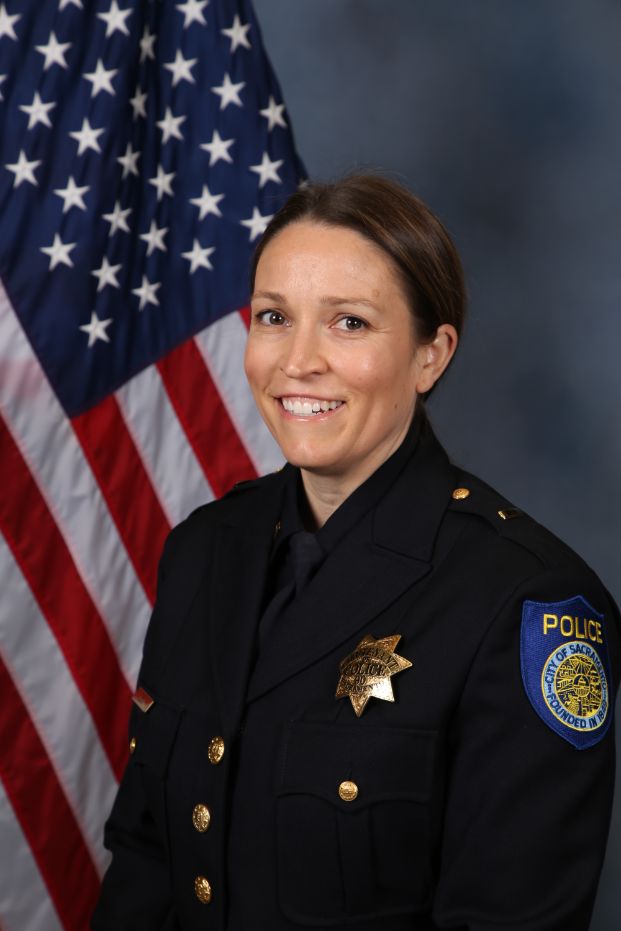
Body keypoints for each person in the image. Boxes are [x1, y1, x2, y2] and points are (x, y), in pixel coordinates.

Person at [92, 175, 619, 930]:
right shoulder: (205, 551)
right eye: (274, 317)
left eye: (348, 323)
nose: (298, 360)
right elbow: (147, 859)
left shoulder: (525, 602)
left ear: (430, 355)